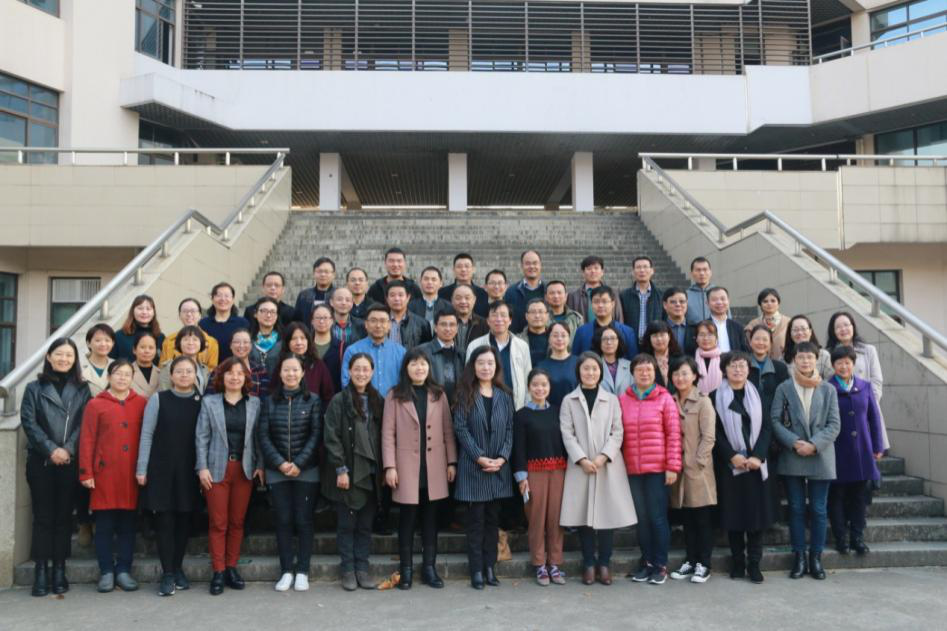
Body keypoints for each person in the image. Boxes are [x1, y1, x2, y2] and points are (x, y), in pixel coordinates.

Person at [21, 338, 91, 596]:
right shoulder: (33, 388)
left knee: (63, 518)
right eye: (59, 354)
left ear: (75, 360)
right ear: (49, 357)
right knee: (42, 517)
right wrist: (51, 449)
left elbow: (84, 424)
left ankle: (59, 569)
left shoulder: (82, 389)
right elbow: (29, 422)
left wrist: (67, 449)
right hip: (41, 461)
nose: (64, 359)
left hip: (69, 462)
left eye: (69, 355)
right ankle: (41, 570)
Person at [559, 352, 636, 586]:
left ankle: (604, 563)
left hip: (606, 465)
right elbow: (567, 433)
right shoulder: (569, 400)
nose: (590, 373)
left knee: (606, 517)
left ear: (600, 372)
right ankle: (588, 564)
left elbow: (617, 431)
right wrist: (582, 459)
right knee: (584, 518)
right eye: (586, 369)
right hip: (580, 467)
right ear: (579, 372)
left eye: (594, 368)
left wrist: (603, 456)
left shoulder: (611, 400)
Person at [383, 349, 458, 590]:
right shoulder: (395, 395)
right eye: (414, 364)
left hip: (434, 465)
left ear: (429, 367)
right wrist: (390, 466)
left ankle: (429, 568)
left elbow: (448, 430)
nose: (419, 368)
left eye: (423, 364)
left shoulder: (438, 394)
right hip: (406, 466)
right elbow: (388, 434)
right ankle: (406, 570)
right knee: (407, 519)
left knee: (430, 520)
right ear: (406, 368)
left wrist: (452, 462)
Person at [771, 342, 841, 580]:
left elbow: (834, 424)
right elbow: (775, 420)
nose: (805, 361)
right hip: (793, 454)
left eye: (810, 357)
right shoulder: (784, 388)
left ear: (817, 360)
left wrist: (814, 444)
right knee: (797, 509)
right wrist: (794, 442)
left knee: (819, 509)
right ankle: (799, 557)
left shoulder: (828, 389)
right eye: (801, 358)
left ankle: (816, 558)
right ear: (794, 360)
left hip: (820, 455)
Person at [78, 359, 147, 593]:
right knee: (104, 525)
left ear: (132, 378)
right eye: (118, 373)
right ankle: (106, 570)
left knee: (128, 525)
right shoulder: (95, 404)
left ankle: (124, 570)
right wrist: (86, 472)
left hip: (131, 474)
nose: (122, 378)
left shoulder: (141, 403)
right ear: (108, 377)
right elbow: (87, 439)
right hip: (104, 474)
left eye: (127, 374)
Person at [196, 357, 263, 595]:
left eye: (239, 373)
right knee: (218, 522)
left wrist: (260, 465)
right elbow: (202, 437)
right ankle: (218, 570)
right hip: (216, 469)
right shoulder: (210, 402)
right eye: (230, 373)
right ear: (221, 377)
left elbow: (259, 437)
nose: (235, 377)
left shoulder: (255, 403)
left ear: (246, 378)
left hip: (244, 469)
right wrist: (201, 467)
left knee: (237, 521)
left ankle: (232, 567)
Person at [136, 356, 203, 596]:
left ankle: (177, 568)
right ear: (171, 375)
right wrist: (141, 468)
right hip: (161, 469)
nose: (184, 375)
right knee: (165, 522)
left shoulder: (202, 402)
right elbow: (147, 434)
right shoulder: (159, 399)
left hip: (189, 470)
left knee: (184, 521)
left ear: (195, 375)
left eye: (189, 371)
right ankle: (167, 574)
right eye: (179, 371)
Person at [257, 355, 323, 592]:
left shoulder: (313, 400)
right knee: (283, 520)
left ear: (302, 373)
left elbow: (316, 434)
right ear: (280, 373)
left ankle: (303, 570)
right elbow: (263, 435)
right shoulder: (269, 401)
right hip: (277, 471)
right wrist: (280, 463)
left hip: (306, 470)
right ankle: (286, 570)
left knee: (304, 520)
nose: (291, 374)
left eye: (295, 370)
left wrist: (299, 463)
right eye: (286, 370)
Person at [453, 346, 515, 589]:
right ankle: (476, 570)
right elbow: (460, 429)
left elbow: (509, 429)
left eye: (490, 363)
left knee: (492, 522)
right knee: (476, 523)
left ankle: (490, 567)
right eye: (481, 363)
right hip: (474, 468)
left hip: (498, 469)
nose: (486, 367)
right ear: (473, 366)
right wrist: (479, 457)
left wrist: (502, 458)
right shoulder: (464, 393)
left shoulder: (505, 395)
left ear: (496, 366)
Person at [711, 351, 775, 584]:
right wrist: (732, 456)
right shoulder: (714, 397)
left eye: (742, 366)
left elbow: (767, 427)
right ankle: (738, 562)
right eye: (733, 366)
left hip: (756, 466)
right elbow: (715, 432)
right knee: (734, 517)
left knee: (756, 519)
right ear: (724, 370)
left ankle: (754, 564)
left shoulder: (757, 394)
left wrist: (758, 456)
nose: (737, 370)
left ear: (749, 370)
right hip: (730, 467)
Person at [323, 353, 385, 591]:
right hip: (347, 471)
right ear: (349, 371)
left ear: (372, 372)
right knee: (346, 525)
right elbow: (331, 437)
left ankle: (362, 569)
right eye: (356, 369)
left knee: (365, 526)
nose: (361, 373)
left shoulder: (378, 400)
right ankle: (348, 570)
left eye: (365, 369)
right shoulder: (339, 400)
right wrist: (341, 469)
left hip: (371, 472)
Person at [618, 354, 681, 585]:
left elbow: (673, 435)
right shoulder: (623, 400)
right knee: (641, 519)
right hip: (633, 469)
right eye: (640, 370)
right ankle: (647, 562)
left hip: (657, 469)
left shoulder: (665, 399)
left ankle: (660, 564)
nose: (644, 373)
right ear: (632, 373)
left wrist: (672, 466)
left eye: (649, 370)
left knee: (657, 517)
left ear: (655, 373)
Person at [513, 369, 567, 586]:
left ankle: (555, 563)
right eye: (535, 385)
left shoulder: (557, 412)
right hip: (533, 473)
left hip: (559, 471)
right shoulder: (521, 415)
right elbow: (518, 449)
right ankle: (539, 564)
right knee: (536, 519)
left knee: (556, 519)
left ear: (549, 387)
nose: (539, 389)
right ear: (529, 387)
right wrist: (521, 477)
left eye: (544, 384)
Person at [828, 345, 884, 556]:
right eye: (839, 363)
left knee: (859, 498)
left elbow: (874, 418)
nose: (844, 366)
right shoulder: (827, 387)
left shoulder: (865, 386)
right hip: (836, 452)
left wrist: (878, 446)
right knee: (837, 497)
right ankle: (841, 539)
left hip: (862, 451)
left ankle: (857, 538)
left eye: (847, 362)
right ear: (833, 365)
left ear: (853, 364)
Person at [667, 357, 716, 584]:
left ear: (695, 376)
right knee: (687, 518)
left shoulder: (703, 401)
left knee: (702, 518)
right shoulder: (670, 400)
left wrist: (699, 461)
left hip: (698, 469)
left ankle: (704, 564)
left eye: (685, 373)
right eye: (676, 373)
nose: (680, 378)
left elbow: (709, 436)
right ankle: (690, 559)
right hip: (678, 469)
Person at [825, 311, 888, 449]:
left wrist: (868, 405)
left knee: (869, 452)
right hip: (840, 414)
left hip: (865, 412)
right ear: (833, 331)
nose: (843, 329)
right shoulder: (827, 354)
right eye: (838, 327)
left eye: (846, 325)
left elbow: (876, 381)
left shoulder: (868, 350)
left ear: (853, 326)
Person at [466, 300, 531, 410]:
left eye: (503, 315)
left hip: (516, 406)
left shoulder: (522, 346)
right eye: (494, 315)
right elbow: (469, 378)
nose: (499, 319)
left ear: (510, 320)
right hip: (484, 406)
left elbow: (527, 378)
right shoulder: (475, 346)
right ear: (488, 321)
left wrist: (526, 408)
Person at [341, 304, 407, 397]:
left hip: (393, 403)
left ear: (389, 325)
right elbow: (346, 382)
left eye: (383, 321)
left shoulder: (401, 352)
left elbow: (406, 383)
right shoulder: (353, 350)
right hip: (361, 403)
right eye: (373, 321)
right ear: (366, 324)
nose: (378, 325)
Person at [571, 286, 638, 359]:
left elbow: (633, 361)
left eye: (604, 301)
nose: (600, 305)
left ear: (613, 304)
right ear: (591, 305)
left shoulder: (627, 332)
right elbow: (575, 360)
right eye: (596, 302)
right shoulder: (581, 332)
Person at [416, 307, 465, 405]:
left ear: (457, 328)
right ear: (435, 327)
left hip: (458, 406)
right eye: (443, 324)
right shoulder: (422, 351)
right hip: (431, 405)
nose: (448, 329)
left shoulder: (462, 354)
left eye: (452, 325)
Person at [161, 298, 219, 370]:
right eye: (185, 311)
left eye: (193, 311)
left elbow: (212, 371)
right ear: (179, 316)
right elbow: (162, 368)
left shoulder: (211, 343)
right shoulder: (169, 340)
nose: (189, 314)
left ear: (200, 315)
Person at [199, 282, 250, 362]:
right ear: (212, 299)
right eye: (219, 295)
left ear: (233, 300)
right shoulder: (203, 324)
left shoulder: (243, 323)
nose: (223, 299)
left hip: (235, 367)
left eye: (227, 296)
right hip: (210, 367)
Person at [568, 255, 623, 324]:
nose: (593, 271)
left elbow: (619, 316)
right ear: (583, 272)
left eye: (596, 268)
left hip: (609, 330)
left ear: (602, 272)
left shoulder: (613, 293)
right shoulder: (574, 296)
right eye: (589, 268)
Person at [620, 256, 663, 341]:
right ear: (633, 272)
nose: (642, 270)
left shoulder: (661, 295)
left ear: (652, 271)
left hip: (654, 341)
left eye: (645, 267)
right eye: (638, 267)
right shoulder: (624, 296)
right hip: (631, 341)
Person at [111, 295, 165, 362]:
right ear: (132, 311)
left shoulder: (160, 337)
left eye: (148, 309)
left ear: (154, 312)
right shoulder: (119, 336)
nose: (144, 312)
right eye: (140, 308)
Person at [537, 322, 579, 407]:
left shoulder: (579, 363)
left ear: (569, 338)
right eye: (555, 336)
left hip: (575, 412)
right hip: (550, 413)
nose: (559, 339)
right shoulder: (541, 366)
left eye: (563, 335)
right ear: (549, 339)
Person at [158, 325, 210, 393]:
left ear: (201, 343)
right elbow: (164, 393)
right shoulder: (169, 366)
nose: (190, 343)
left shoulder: (204, 368)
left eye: (195, 339)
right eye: (186, 339)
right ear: (179, 343)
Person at [504, 250, 545, 333]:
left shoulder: (548, 291)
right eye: (527, 263)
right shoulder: (511, 292)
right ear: (522, 266)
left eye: (535, 263)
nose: (532, 266)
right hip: (517, 338)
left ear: (540, 265)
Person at [438, 253, 490, 318]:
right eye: (459, 266)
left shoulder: (482, 293)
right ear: (453, 270)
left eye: (467, 266)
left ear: (473, 269)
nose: (463, 269)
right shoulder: (442, 293)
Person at [386, 280, 433, 350]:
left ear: (408, 297)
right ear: (387, 299)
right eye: (392, 295)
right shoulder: (379, 322)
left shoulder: (422, 324)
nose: (396, 299)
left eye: (400, 295)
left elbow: (427, 350)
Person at [308, 305, 345, 392]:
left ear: (332, 321)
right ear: (312, 321)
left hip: (334, 396)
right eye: (318, 318)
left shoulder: (342, 347)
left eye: (325, 318)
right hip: (309, 396)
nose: (321, 321)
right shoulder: (305, 346)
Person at [744, 288, 788, 360]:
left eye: (773, 301)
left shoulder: (789, 323)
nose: (769, 304)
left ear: (778, 303)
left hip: (784, 363)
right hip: (759, 363)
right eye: (765, 301)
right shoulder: (752, 325)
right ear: (760, 305)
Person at [221, 329, 267, 398]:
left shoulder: (260, 371)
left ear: (251, 346)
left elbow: (265, 399)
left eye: (245, 342)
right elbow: (210, 399)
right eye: (237, 342)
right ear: (230, 345)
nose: (241, 346)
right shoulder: (220, 369)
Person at [639, 321, 683, 388]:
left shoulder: (679, 357)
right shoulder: (643, 360)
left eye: (662, 335)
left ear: (669, 336)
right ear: (649, 339)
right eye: (655, 336)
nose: (659, 339)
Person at [293, 257, 337, 325]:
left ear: (333, 275)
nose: (323, 274)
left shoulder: (339, 295)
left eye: (326, 272)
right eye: (319, 271)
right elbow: (297, 320)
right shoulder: (304, 295)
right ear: (314, 273)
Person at [593, 324, 632, 396]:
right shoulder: (593, 366)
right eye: (605, 339)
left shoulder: (630, 366)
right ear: (599, 342)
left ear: (619, 341)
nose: (609, 342)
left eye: (613, 338)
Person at [451, 284, 489, 356]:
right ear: (452, 300)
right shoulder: (445, 322)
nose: (463, 301)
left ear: (474, 300)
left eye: (467, 298)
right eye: (458, 298)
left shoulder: (484, 324)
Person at [248, 296, 283, 374]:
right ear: (255, 314)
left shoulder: (284, 340)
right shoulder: (247, 340)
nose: (268, 315)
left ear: (277, 316)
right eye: (264, 311)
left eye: (273, 312)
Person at [707, 287, 748, 353]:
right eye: (714, 299)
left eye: (722, 299)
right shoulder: (702, 327)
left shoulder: (738, 327)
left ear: (728, 301)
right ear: (707, 303)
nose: (719, 302)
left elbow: (744, 351)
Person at [82, 323, 114, 396]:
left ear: (113, 343)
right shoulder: (78, 366)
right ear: (88, 343)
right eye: (98, 340)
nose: (103, 344)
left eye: (107, 340)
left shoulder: (117, 366)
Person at [663, 287, 696, 356]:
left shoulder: (696, 328)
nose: (678, 304)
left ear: (687, 304)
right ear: (665, 305)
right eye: (673, 302)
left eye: (682, 301)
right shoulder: (658, 328)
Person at [517, 298, 550, 366]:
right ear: (526, 316)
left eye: (540, 312)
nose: (537, 316)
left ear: (547, 315)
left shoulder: (556, 338)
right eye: (533, 312)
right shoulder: (517, 340)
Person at [694, 321, 722, 396]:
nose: (706, 338)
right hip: (697, 400)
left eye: (710, 334)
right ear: (696, 338)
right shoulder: (691, 360)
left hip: (720, 399)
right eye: (702, 335)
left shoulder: (724, 359)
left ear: (716, 338)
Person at [685, 257, 716, 325]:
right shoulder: (685, 295)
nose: (702, 273)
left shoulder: (718, 293)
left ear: (710, 272)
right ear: (691, 273)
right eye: (698, 270)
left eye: (705, 269)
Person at [130, 331, 161, 398]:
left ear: (156, 350)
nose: (147, 351)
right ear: (134, 350)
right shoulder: (126, 372)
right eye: (142, 347)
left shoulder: (161, 374)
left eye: (151, 348)